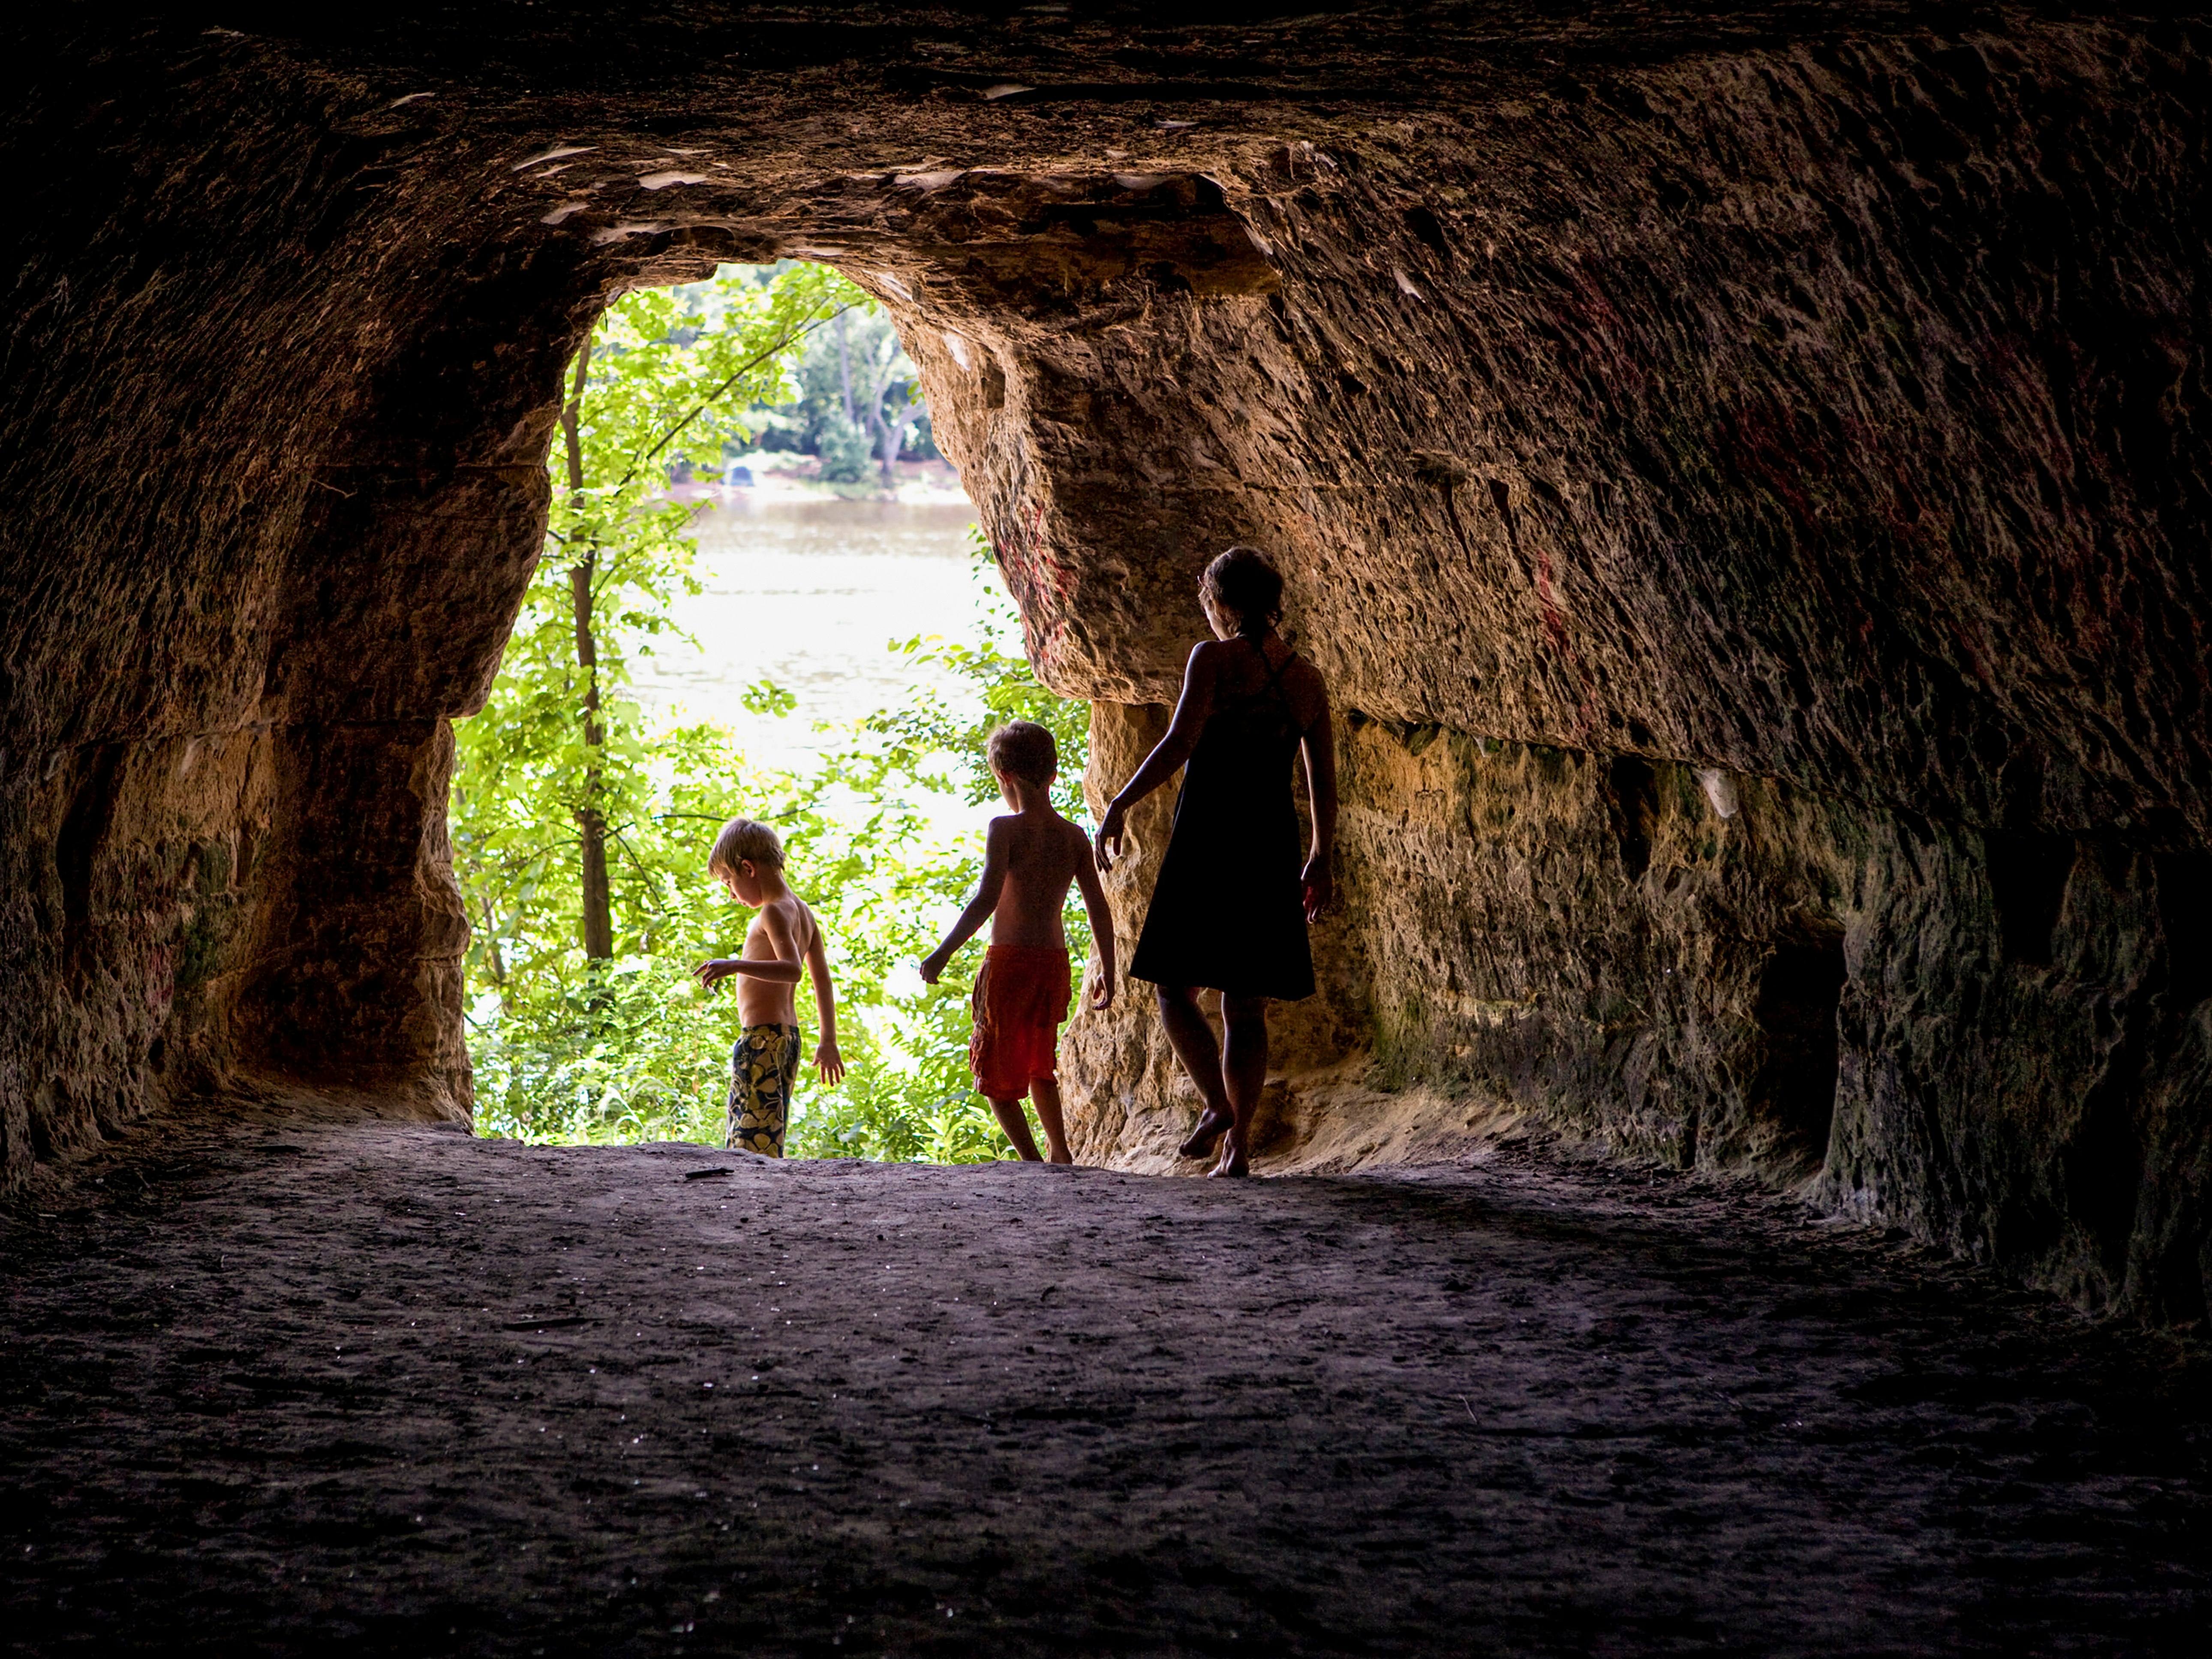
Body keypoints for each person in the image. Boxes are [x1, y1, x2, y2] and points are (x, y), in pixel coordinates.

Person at [1096, 547, 1335, 1178]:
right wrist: (1319, 858)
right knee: (1246, 1006)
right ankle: (1239, 1149)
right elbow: (1322, 782)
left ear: (1221, 601)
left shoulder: (1214, 659)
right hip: (1268, 844)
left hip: (1207, 839)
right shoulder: (1306, 679)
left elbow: (1180, 741)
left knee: (1175, 990)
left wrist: (1120, 802)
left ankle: (1216, 1106)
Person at [920, 720, 1117, 1163]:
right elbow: (1098, 908)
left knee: (994, 1076)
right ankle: (1061, 1153)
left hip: (1009, 964)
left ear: (1004, 777)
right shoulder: (1073, 836)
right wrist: (1109, 967)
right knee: (1038, 1065)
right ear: (1052, 774)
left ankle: (1031, 1162)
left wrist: (942, 952)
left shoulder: (1005, 829)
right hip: (1053, 964)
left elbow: (986, 899)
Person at [694, 818, 845, 1155]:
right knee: (765, 1128)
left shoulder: (773, 913)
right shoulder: (803, 912)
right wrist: (828, 1040)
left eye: (729, 883)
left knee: (750, 1139)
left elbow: (793, 970)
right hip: (785, 1038)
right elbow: (823, 980)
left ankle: (749, 1201)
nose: (731, 894)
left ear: (748, 868)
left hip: (762, 1040)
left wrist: (732, 965)